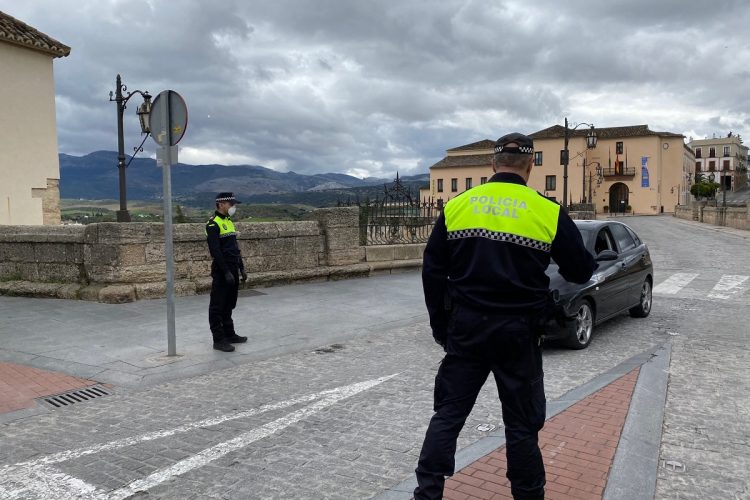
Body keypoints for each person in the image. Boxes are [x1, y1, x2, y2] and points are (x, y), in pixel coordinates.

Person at [414, 133, 597, 500]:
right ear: (530, 166)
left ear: (493, 164)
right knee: (521, 425)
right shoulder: (546, 210)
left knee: (448, 415)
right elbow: (580, 271)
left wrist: (441, 327)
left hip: (466, 330)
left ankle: (428, 493)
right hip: (519, 334)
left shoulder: (458, 206)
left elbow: (432, 272)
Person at [206, 192, 248, 352]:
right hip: (222, 270)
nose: (233, 207)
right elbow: (215, 251)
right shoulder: (212, 224)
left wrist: (241, 267)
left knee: (230, 304)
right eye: (231, 204)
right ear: (221, 204)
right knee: (217, 306)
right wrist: (226, 272)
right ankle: (218, 340)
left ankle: (230, 334)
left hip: (233, 267)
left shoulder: (229, 222)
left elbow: (234, 248)